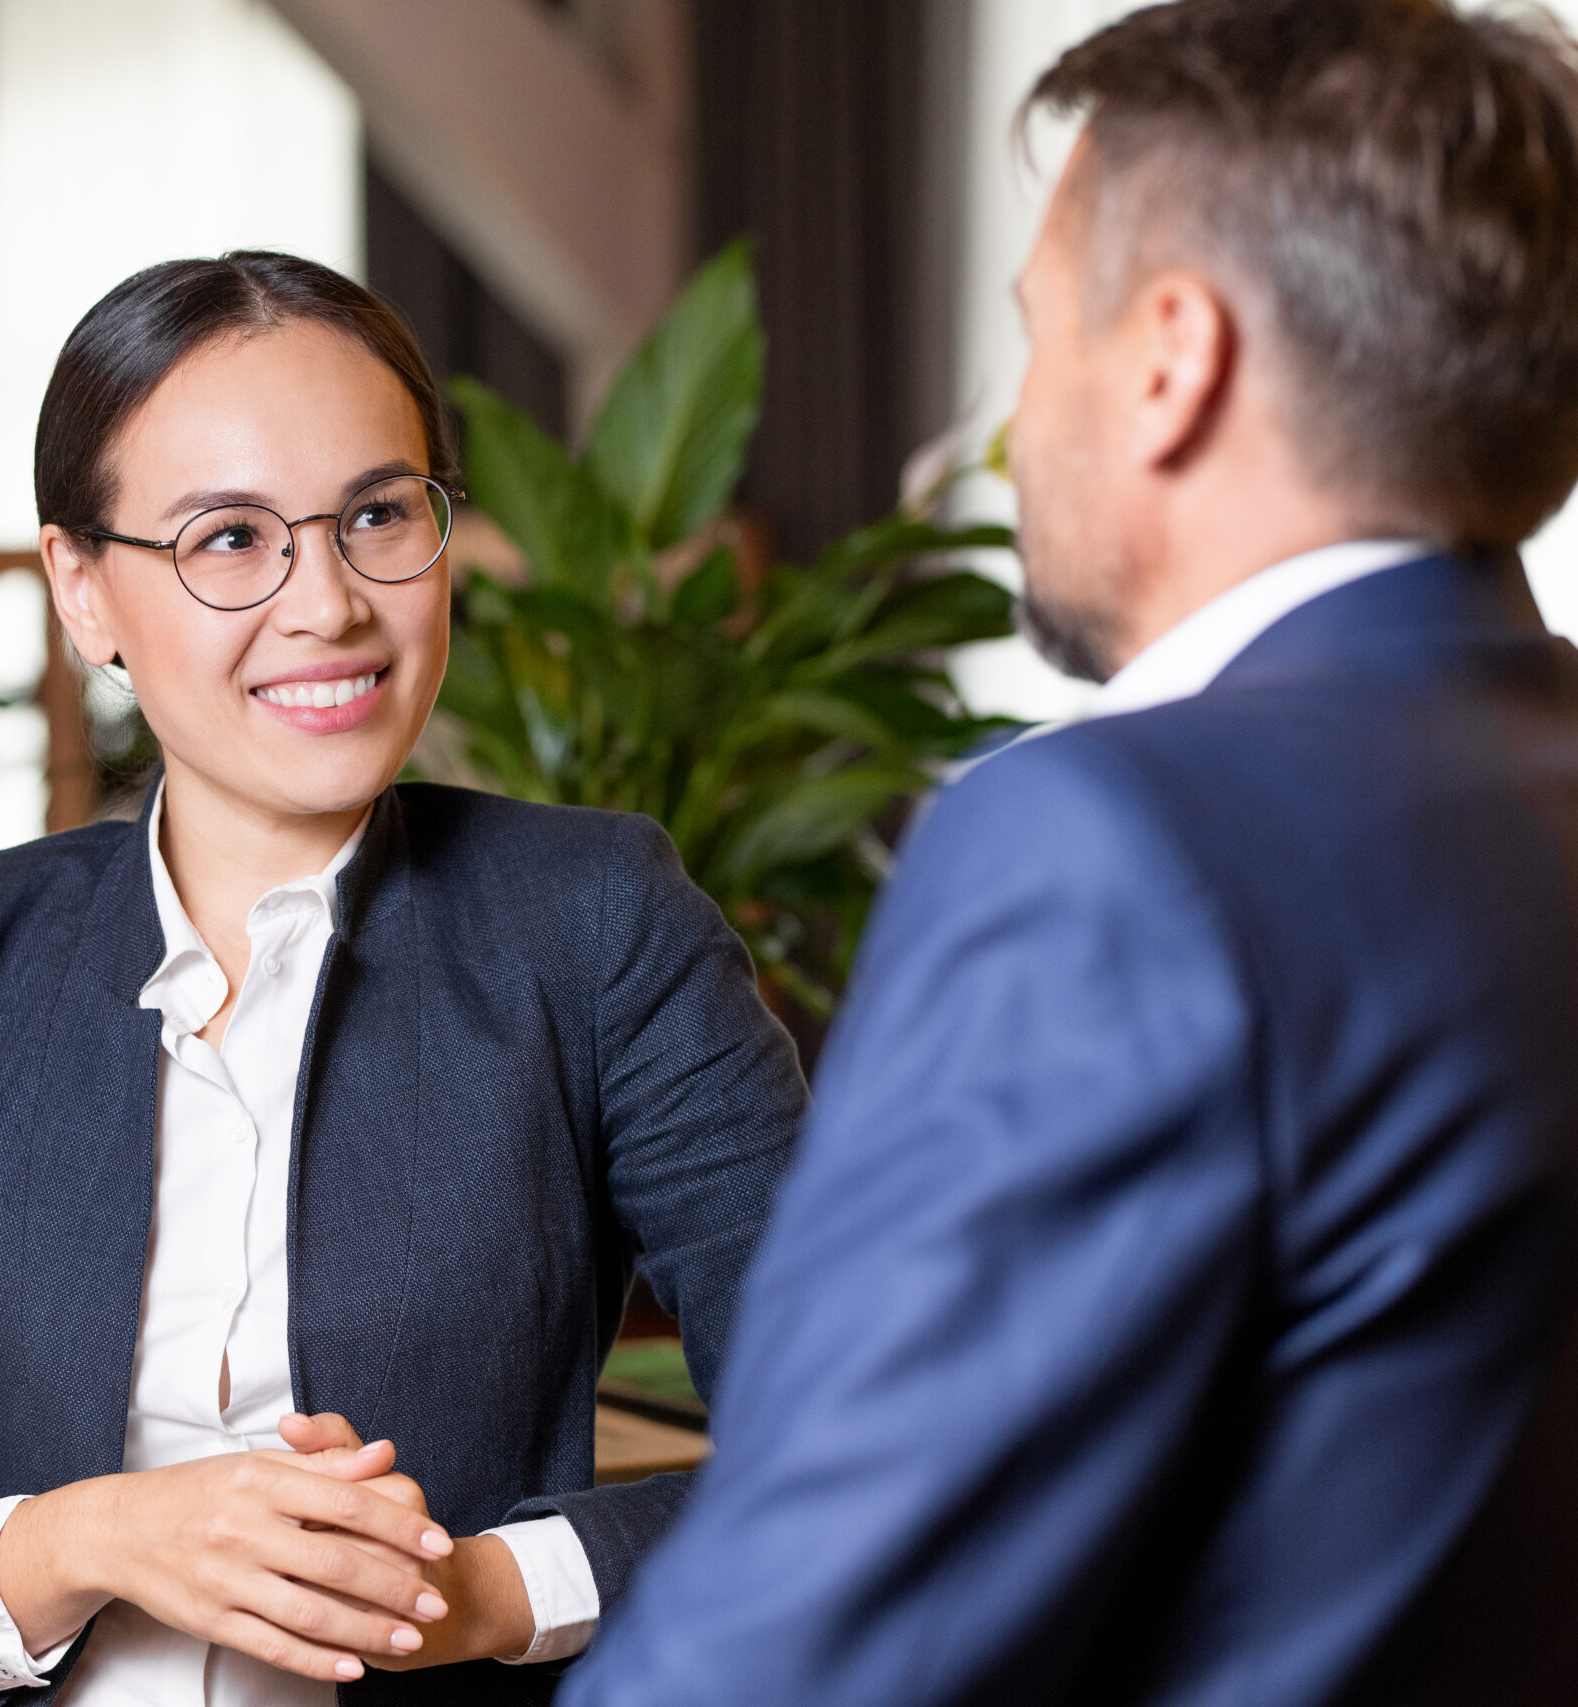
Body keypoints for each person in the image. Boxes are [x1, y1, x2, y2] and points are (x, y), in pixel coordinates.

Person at [561, 2, 1578, 1703]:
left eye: (1039, 340)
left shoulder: (1117, 849)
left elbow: (805, 1653)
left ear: (1173, 358)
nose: (1012, 431)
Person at [0, 252, 806, 1707]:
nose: (329, 604)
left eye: (376, 514)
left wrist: (482, 1592)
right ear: (84, 591)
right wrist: (97, 1535)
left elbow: (872, 1439)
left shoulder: (596, 923)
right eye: (229, 539)